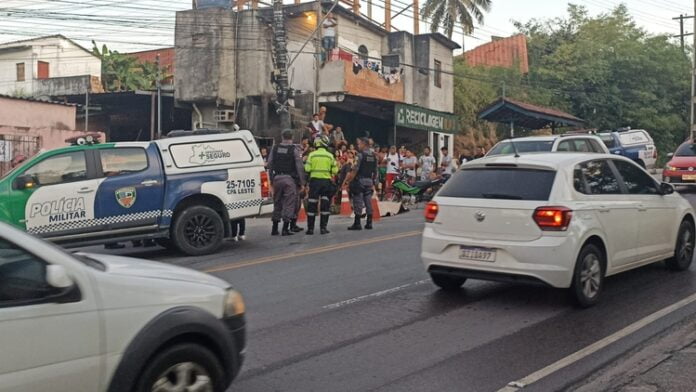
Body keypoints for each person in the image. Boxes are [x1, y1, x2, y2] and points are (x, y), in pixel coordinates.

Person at [267, 129, 306, 236]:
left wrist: (271, 180)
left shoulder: (274, 148)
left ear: (282, 136)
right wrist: (302, 182)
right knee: (289, 203)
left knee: (277, 202)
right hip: (289, 179)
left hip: (277, 178)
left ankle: (274, 228)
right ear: (292, 137)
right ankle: (285, 228)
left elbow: (269, 164)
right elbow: (299, 166)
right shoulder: (294, 149)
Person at [304, 135, 339, 235]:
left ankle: (310, 229)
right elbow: (335, 170)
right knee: (325, 205)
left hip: (314, 182)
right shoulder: (330, 156)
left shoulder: (312, 155)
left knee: (312, 205)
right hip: (326, 182)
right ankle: (323, 228)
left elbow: (307, 169)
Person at [344, 137, 378, 231]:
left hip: (360, 181)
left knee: (358, 201)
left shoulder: (360, 155)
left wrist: (348, 181)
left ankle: (357, 223)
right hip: (369, 181)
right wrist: (374, 182)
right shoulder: (374, 156)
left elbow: (355, 169)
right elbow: (375, 171)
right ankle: (369, 223)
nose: (358, 146)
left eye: (359, 144)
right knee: (368, 201)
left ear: (364, 144)